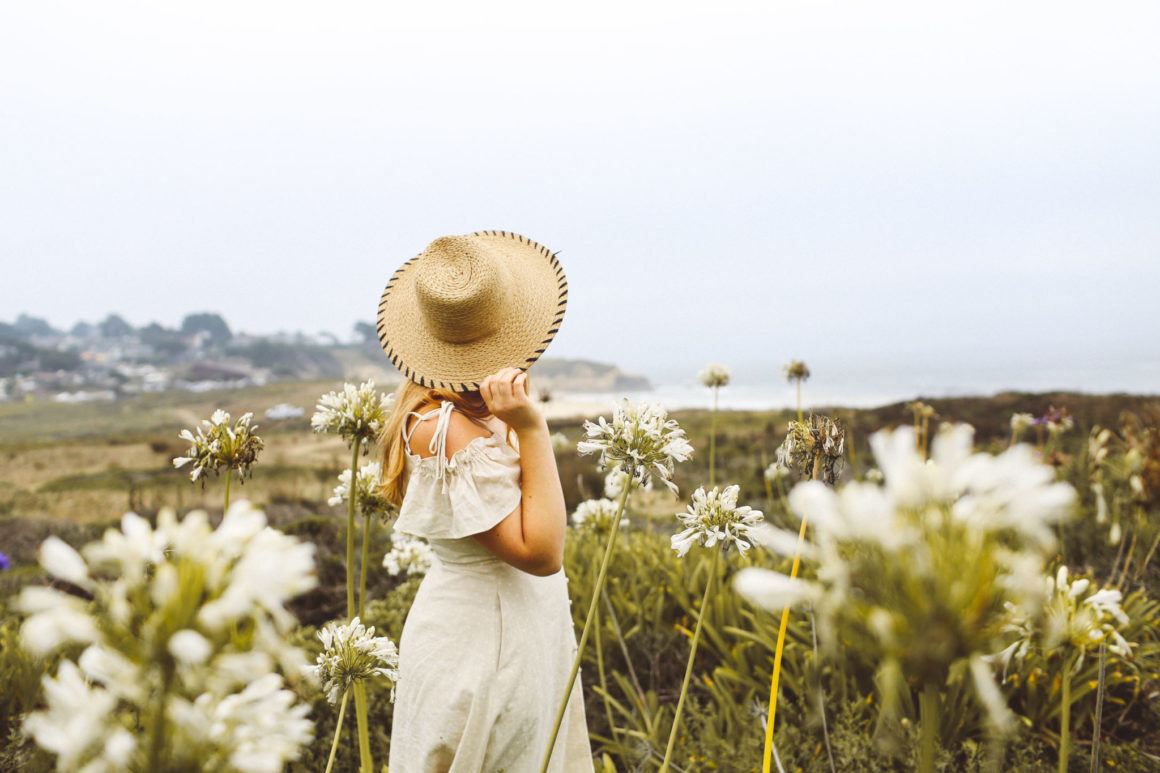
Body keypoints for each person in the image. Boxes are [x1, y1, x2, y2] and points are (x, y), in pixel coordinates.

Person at [374, 230, 593, 772]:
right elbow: (541, 554)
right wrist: (533, 428)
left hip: (524, 633)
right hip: (482, 647)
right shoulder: (441, 429)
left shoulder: (478, 412)